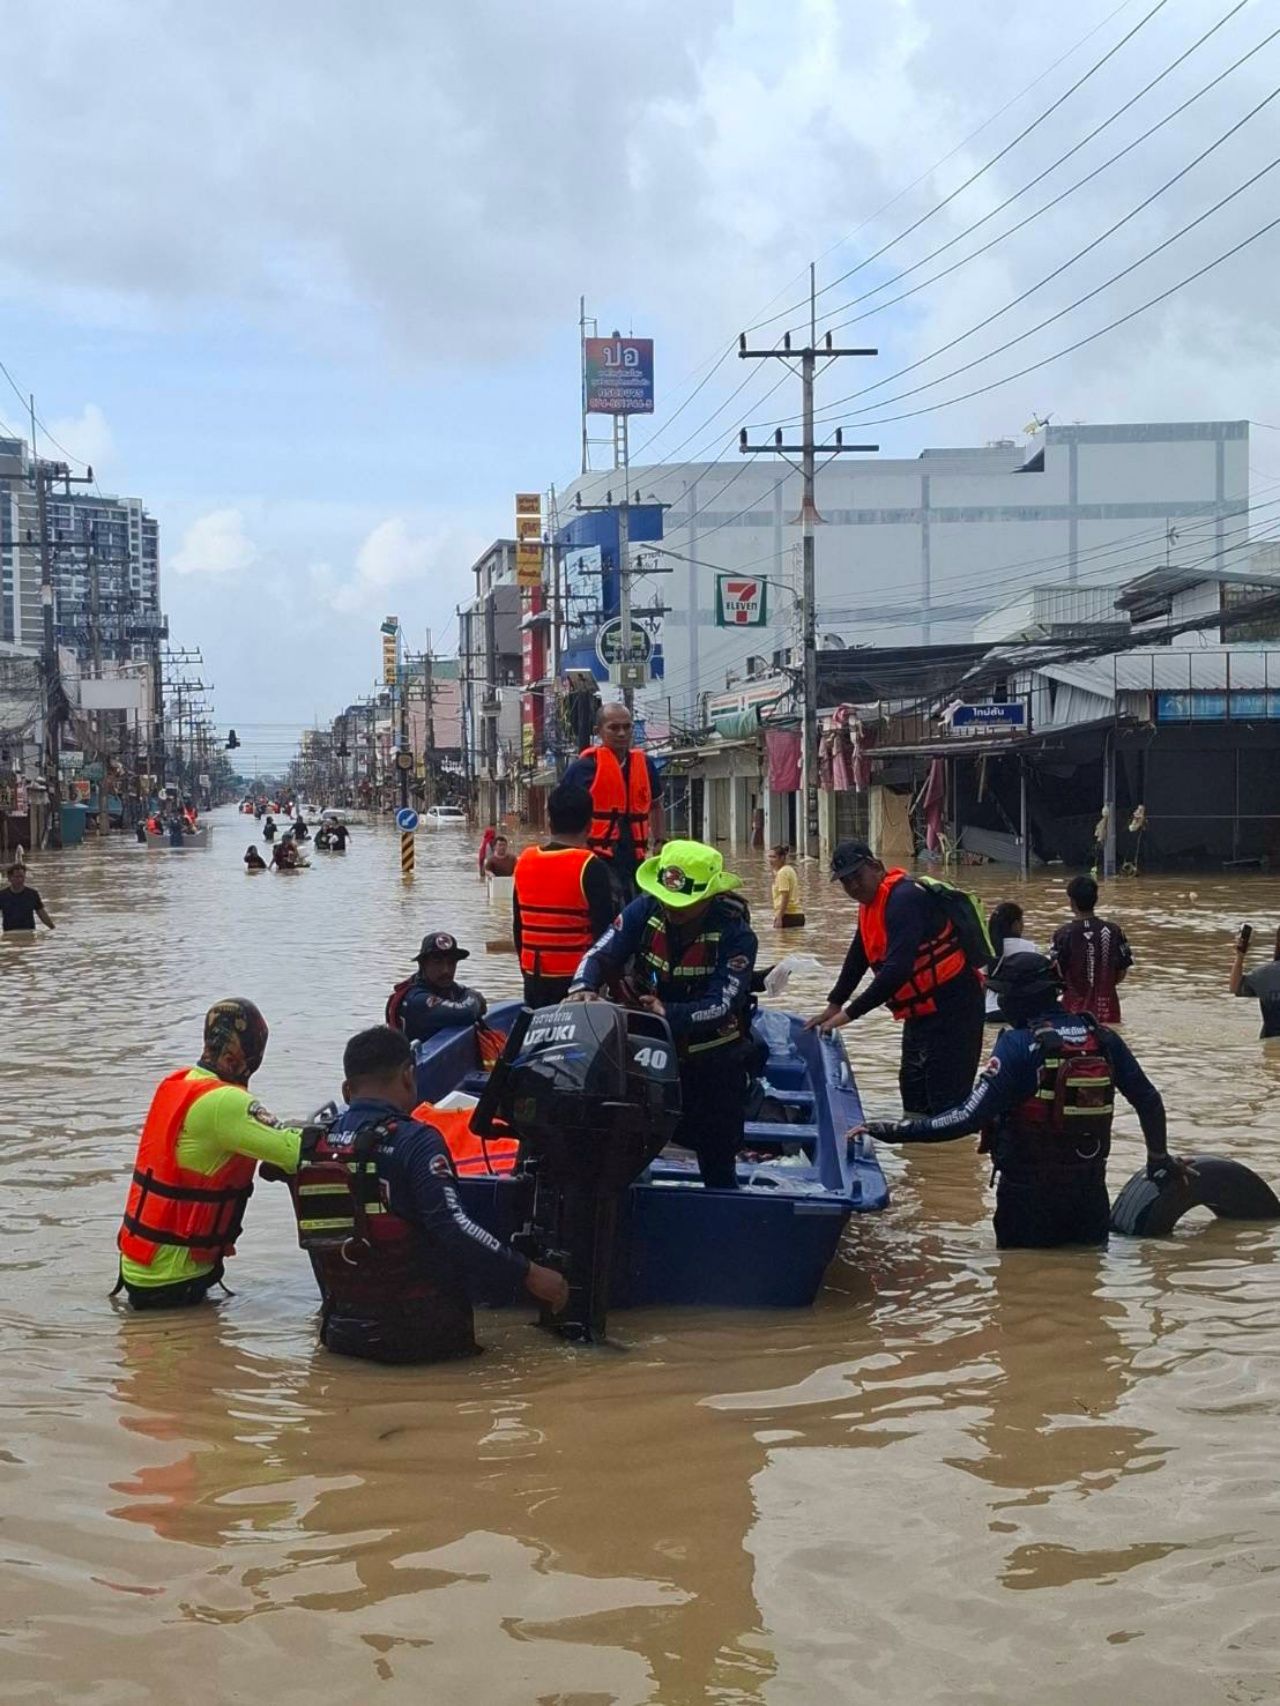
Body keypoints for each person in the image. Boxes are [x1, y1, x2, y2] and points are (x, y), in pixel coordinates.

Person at [857, 952, 1187, 1250]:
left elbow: (966, 1118)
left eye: (1001, 994)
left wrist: (890, 1131)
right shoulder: (1102, 1038)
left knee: (1018, 1292)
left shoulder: (1017, 1045)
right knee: (1086, 1287)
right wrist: (1158, 1157)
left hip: (1028, 1198)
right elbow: (1148, 1100)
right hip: (1089, 1195)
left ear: (1018, 999)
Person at [287, 1026, 567, 1363]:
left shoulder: (312, 1143)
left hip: (342, 1334)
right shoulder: (416, 1142)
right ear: (408, 1076)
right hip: (422, 1337)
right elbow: (454, 1227)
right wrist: (529, 1273)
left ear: (347, 1090)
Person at [568, 839, 757, 1189]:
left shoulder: (736, 933)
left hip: (711, 1057)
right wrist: (583, 986)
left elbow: (723, 1003)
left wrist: (667, 1012)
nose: (671, 910)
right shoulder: (645, 908)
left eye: (681, 905)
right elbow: (600, 953)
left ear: (707, 897)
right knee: (626, 1144)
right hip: (647, 1052)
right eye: (667, 901)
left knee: (717, 1154)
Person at [115, 997, 302, 1308]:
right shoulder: (225, 1102)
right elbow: (295, 1151)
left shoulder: (178, 1084)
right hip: (174, 1281)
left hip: (139, 1268)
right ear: (245, 1055)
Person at [807, 840, 985, 1118]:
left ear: (876, 867)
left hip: (955, 1007)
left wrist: (848, 1015)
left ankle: (950, 1154)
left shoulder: (904, 898)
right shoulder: (870, 905)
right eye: (845, 882)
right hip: (921, 1011)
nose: (853, 887)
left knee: (947, 1103)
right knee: (913, 1094)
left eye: (857, 877)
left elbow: (897, 970)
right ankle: (920, 1159)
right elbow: (859, 956)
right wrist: (834, 1003)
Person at [512, 782, 615, 1008]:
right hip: (578, 981)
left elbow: (518, 927)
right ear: (590, 825)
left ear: (549, 822)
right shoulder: (591, 866)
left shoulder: (524, 861)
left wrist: (526, 969)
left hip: (533, 976)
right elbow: (605, 933)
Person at [561, 701, 664, 904]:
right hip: (595, 859)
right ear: (598, 731)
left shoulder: (645, 765)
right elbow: (560, 814)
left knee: (639, 910)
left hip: (635, 858)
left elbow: (656, 805)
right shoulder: (582, 769)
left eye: (627, 727)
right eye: (614, 728)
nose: (622, 733)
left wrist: (660, 842)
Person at [1051, 875, 1132, 1024]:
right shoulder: (1114, 931)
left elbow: (1058, 973)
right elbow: (1122, 970)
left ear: (1072, 902)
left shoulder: (1063, 934)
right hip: (1108, 1010)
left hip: (1072, 1011)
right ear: (1096, 899)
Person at [388, 932, 488, 1042]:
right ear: (423, 964)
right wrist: (474, 996)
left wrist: (473, 996)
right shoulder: (416, 999)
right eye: (437, 962)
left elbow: (473, 999)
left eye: (451, 963)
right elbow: (467, 1012)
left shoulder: (445, 986)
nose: (446, 970)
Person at [985, 900, 1037, 1020]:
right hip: (1016, 1011)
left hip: (990, 1011)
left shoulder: (988, 949)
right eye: (1022, 921)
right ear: (1015, 924)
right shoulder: (1028, 947)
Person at [1229, 924, 1280, 1039]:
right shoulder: (1264, 974)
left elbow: (1234, 988)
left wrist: (1240, 956)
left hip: (1270, 1045)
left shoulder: (1263, 974)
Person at [0, 862, 54, 932]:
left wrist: (53, 928)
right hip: (9, 934)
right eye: (16, 877)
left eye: (22, 876)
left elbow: (42, 914)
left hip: (29, 933)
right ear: (9, 878)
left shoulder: (32, 894)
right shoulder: (2, 895)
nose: (20, 880)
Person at [768, 844, 805, 929]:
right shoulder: (789, 869)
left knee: (781, 942)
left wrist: (779, 917)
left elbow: (785, 896)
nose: (770, 860)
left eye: (773, 857)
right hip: (797, 915)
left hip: (787, 915)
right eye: (769, 857)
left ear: (782, 858)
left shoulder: (782, 873)